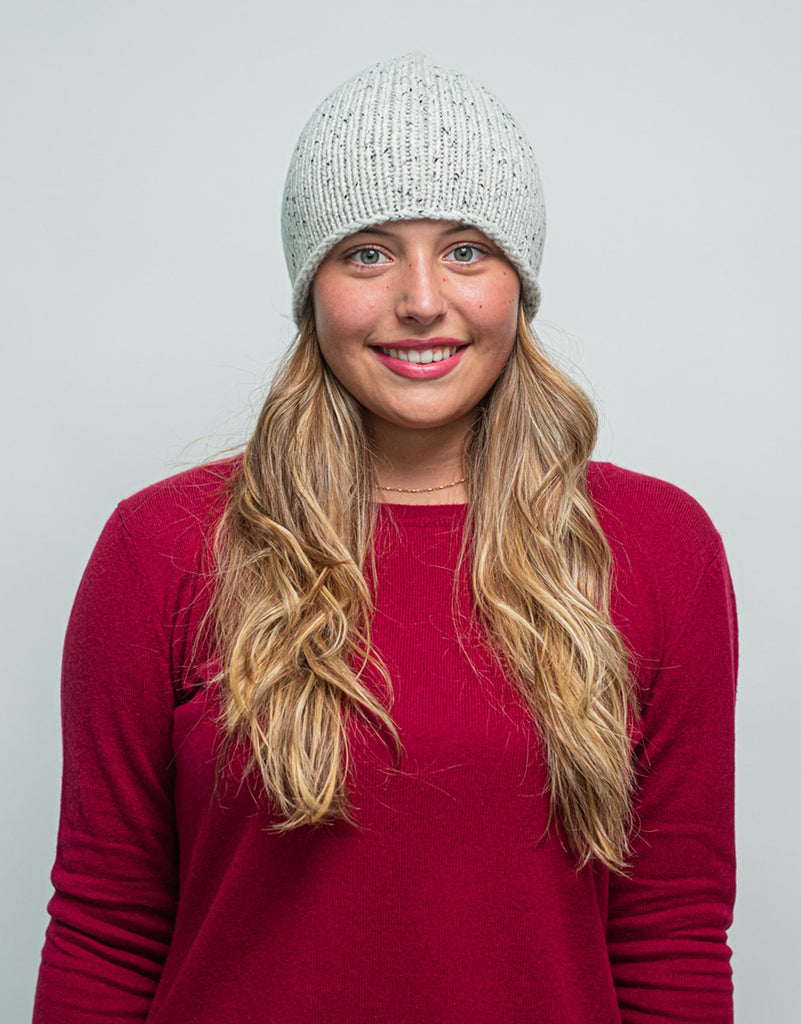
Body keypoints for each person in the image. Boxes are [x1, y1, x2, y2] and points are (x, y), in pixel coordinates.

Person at [33, 54, 737, 1023]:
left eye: (466, 250)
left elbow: (670, 934)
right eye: (367, 253)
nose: (421, 299)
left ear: (518, 283)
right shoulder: (159, 550)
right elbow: (106, 929)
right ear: (312, 285)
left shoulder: (657, 550)